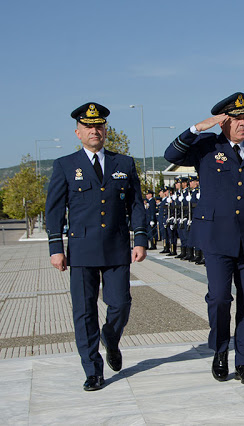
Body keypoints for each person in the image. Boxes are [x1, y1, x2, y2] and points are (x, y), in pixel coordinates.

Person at [164, 92, 244, 385]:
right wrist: (197, 129)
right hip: (217, 238)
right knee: (218, 299)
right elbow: (171, 155)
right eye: (235, 118)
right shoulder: (206, 147)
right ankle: (220, 351)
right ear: (223, 122)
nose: (242, 123)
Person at [45, 102, 147, 391]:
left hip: (116, 247)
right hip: (82, 249)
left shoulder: (123, 164)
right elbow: (53, 210)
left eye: (99, 126)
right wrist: (56, 247)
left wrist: (140, 239)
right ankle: (92, 369)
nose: (95, 131)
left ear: (105, 130)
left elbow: (136, 205)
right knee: (84, 311)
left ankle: (111, 338)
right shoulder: (65, 165)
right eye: (89, 127)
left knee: (121, 303)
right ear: (78, 132)